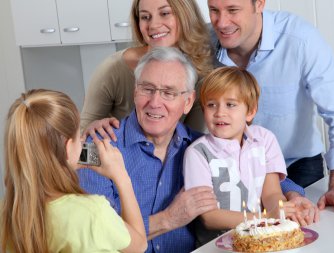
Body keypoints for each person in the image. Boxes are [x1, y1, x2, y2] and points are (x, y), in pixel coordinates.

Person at [207, 0, 334, 214]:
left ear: (259, 4)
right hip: (233, 170)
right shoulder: (203, 43)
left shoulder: (300, 39)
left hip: (298, 168)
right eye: (214, 10)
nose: (221, 22)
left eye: (233, 10)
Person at [78, 47, 218, 253]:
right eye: (147, 89)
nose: (155, 103)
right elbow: (97, 234)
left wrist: (284, 192)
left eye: (168, 93)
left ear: (188, 102)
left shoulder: (202, 147)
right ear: (135, 92)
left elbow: (256, 169)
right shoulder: (92, 147)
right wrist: (168, 219)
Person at [0, 89, 147, 253]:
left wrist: (71, 158)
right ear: (68, 148)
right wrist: (121, 176)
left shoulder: (7, 211)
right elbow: (139, 245)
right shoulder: (93, 213)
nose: (84, 141)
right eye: (79, 137)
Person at [183, 66, 302, 245]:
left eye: (230, 104)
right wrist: (264, 218)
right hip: (217, 246)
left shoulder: (264, 140)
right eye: (211, 105)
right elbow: (209, 218)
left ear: (250, 111)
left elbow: (271, 194)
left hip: (260, 240)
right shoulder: (197, 153)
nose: (219, 112)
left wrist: (282, 212)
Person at [80, 0, 213, 133]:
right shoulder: (114, 68)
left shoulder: (201, 76)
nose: (153, 25)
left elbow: (194, 141)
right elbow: (82, 135)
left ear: (186, 15)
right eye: (145, 17)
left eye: (165, 13)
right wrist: (93, 135)